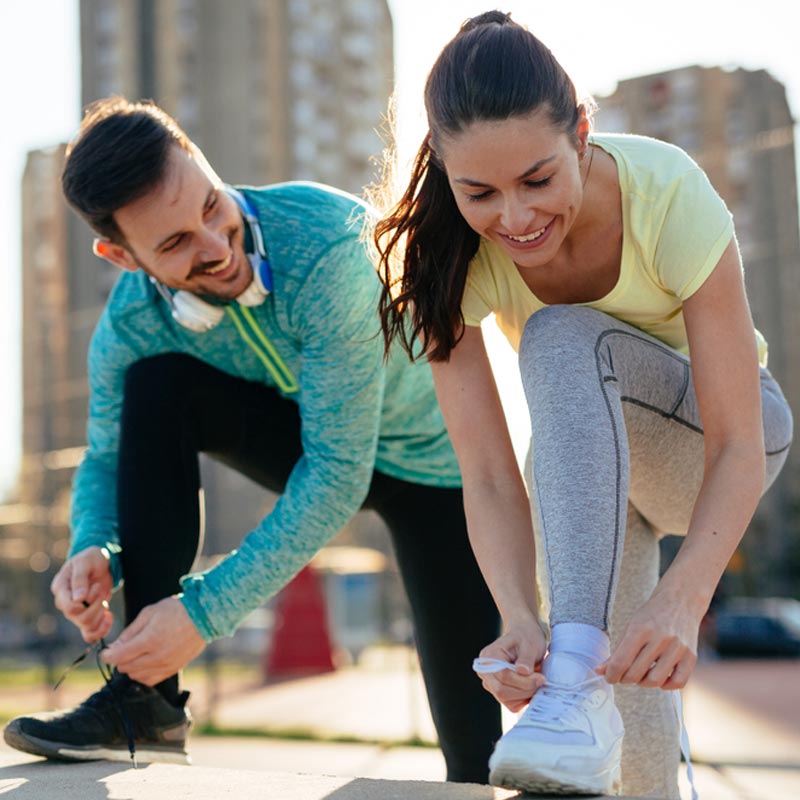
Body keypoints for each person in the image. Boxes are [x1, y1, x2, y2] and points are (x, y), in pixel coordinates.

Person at [2, 97, 502, 783]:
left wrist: (203, 612)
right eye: (173, 243)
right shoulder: (132, 323)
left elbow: (336, 475)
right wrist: (95, 543)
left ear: (205, 165)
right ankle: (146, 704)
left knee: (475, 757)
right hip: (303, 437)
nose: (214, 246)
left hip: (434, 472)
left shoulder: (326, 246)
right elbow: (108, 453)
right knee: (159, 385)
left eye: (210, 205)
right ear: (121, 256)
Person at [374, 11, 793, 799]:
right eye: (480, 192)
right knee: (618, 711)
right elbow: (491, 474)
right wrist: (517, 614)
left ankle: (568, 684)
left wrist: (685, 596)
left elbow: (740, 441)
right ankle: (585, 699)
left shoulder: (668, 194)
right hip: (599, 485)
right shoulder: (446, 264)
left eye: (538, 179)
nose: (516, 219)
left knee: (562, 338)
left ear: (582, 132)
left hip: (725, 445)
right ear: (444, 174)